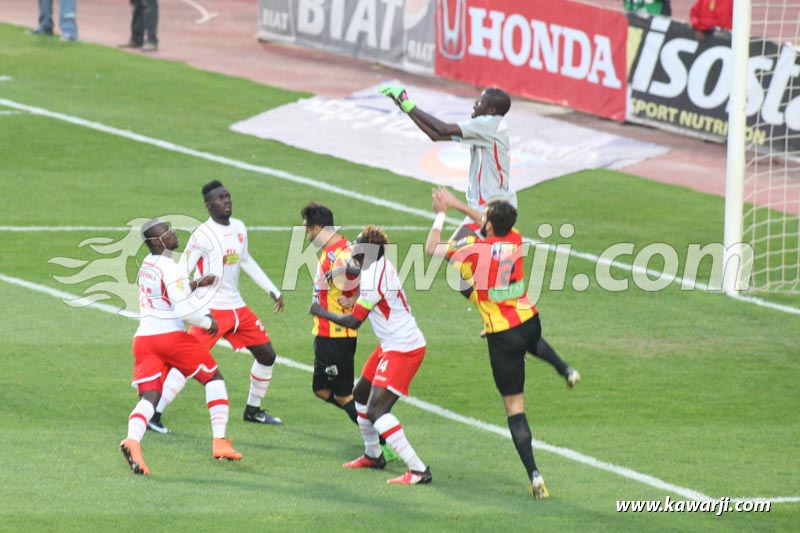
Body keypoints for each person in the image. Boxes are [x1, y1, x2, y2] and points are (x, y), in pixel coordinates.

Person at [425, 199, 578, 498]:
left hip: (502, 335)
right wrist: (458, 204)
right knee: (532, 342)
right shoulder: (515, 238)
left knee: (515, 409)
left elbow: (432, 248)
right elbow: (487, 220)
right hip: (529, 320)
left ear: (490, 224)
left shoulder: (473, 246)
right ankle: (565, 369)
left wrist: (441, 213)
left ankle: (534, 474)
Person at [148, 180, 284, 433]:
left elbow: (245, 260)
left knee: (268, 355)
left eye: (228, 196)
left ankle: (253, 410)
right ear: (208, 204)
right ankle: (154, 414)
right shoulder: (202, 235)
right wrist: (195, 287)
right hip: (209, 311)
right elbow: (180, 272)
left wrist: (272, 290)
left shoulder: (240, 228)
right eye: (220, 198)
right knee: (187, 362)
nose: (227, 200)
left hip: (237, 309)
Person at [309, 226, 431, 485]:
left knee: (376, 410)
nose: (353, 247)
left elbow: (353, 322)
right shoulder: (377, 264)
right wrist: (342, 273)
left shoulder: (375, 278)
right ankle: (373, 454)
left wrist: (321, 311)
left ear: (367, 251)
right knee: (361, 394)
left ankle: (419, 469)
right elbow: (356, 272)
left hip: (404, 348)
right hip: (390, 344)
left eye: (358, 245)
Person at [120, 218, 242, 475]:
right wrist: (207, 321)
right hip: (170, 338)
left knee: (149, 397)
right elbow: (184, 310)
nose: (174, 234)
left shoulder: (147, 265)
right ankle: (220, 442)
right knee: (213, 378)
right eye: (167, 232)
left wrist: (196, 284)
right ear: (155, 241)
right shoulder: (171, 268)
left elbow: (169, 292)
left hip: (144, 339)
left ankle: (132, 441)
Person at [301, 203, 402, 462]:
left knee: (345, 395)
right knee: (320, 389)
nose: (307, 234)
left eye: (308, 229)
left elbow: (367, 274)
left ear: (318, 228)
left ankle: (381, 441)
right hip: (325, 334)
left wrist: (356, 297)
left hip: (337, 336)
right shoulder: (333, 251)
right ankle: (370, 425)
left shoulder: (341, 254)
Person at [379, 83, 516, 241]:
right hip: (487, 206)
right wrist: (405, 108)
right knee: (461, 256)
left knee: (453, 253)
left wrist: (407, 102)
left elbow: (442, 129)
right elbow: (436, 135)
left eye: (480, 101)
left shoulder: (489, 124)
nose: (475, 104)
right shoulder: (487, 127)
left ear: (491, 110)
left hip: (492, 207)